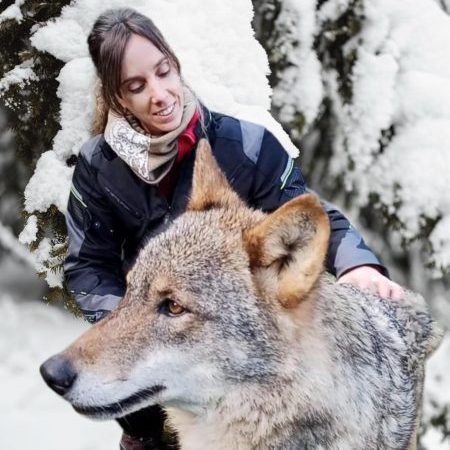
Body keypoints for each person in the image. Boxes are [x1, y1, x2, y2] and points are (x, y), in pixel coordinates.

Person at [64, 8, 404, 450]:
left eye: (164, 72)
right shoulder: (98, 165)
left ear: (175, 62)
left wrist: (356, 264)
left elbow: (304, 216)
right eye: (136, 86)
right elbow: (87, 262)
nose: (161, 94)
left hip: (234, 377)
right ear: (117, 98)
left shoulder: (246, 145)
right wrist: (129, 320)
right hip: (143, 382)